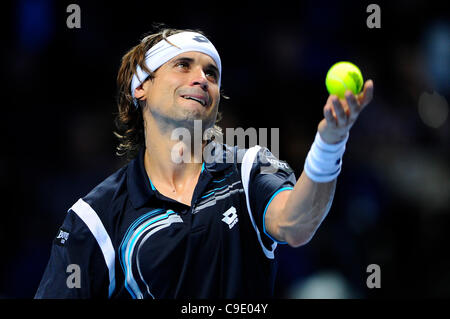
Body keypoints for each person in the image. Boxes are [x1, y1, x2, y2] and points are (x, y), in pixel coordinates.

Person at [34, 26, 374, 299]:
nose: (202, 79)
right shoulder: (94, 218)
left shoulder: (249, 169)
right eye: (183, 65)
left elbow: (296, 225)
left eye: (211, 73)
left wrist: (330, 143)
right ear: (141, 87)